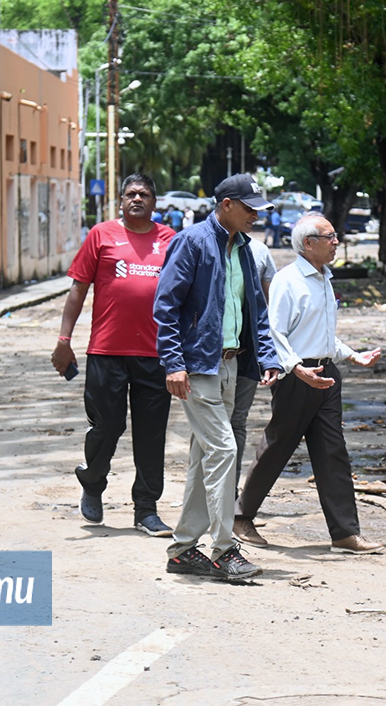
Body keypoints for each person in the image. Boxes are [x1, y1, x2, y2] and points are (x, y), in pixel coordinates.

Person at [154, 173, 281, 580]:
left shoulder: (245, 248)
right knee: (224, 450)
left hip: (230, 364)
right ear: (226, 205)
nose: (255, 217)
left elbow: (255, 310)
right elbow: (166, 306)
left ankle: (182, 550)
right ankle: (225, 548)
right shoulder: (192, 241)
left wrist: (268, 356)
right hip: (197, 365)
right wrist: (173, 363)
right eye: (249, 209)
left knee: (204, 457)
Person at [234, 214, 384, 554]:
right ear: (308, 243)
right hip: (298, 377)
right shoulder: (288, 280)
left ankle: (345, 532)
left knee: (333, 451)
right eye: (329, 237)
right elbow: (275, 331)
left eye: (335, 236)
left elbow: (322, 333)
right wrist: (295, 367)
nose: (336, 242)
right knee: (278, 445)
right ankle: (241, 517)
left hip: (326, 375)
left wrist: (352, 355)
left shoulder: (324, 278)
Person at [51, 174, 177, 538]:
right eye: (131, 194)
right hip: (106, 351)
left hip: (155, 354)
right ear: (120, 200)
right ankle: (92, 481)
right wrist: (64, 338)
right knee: (107, 425)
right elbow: (77, 290)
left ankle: (147, 509)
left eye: (145, 194)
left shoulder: (168, 240)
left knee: (151, 434)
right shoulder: (101, 235)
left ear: (154, 202)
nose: (137, 198)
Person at [230, 235, 277, 492]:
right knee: (211, 423)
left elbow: (270, 307)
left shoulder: (259, 251)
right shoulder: (201, 245)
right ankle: (208, 491)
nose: (253, 215)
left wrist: (270, 354)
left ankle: (229, 490)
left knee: (237, 420)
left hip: (247, 353)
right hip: (212, 354)